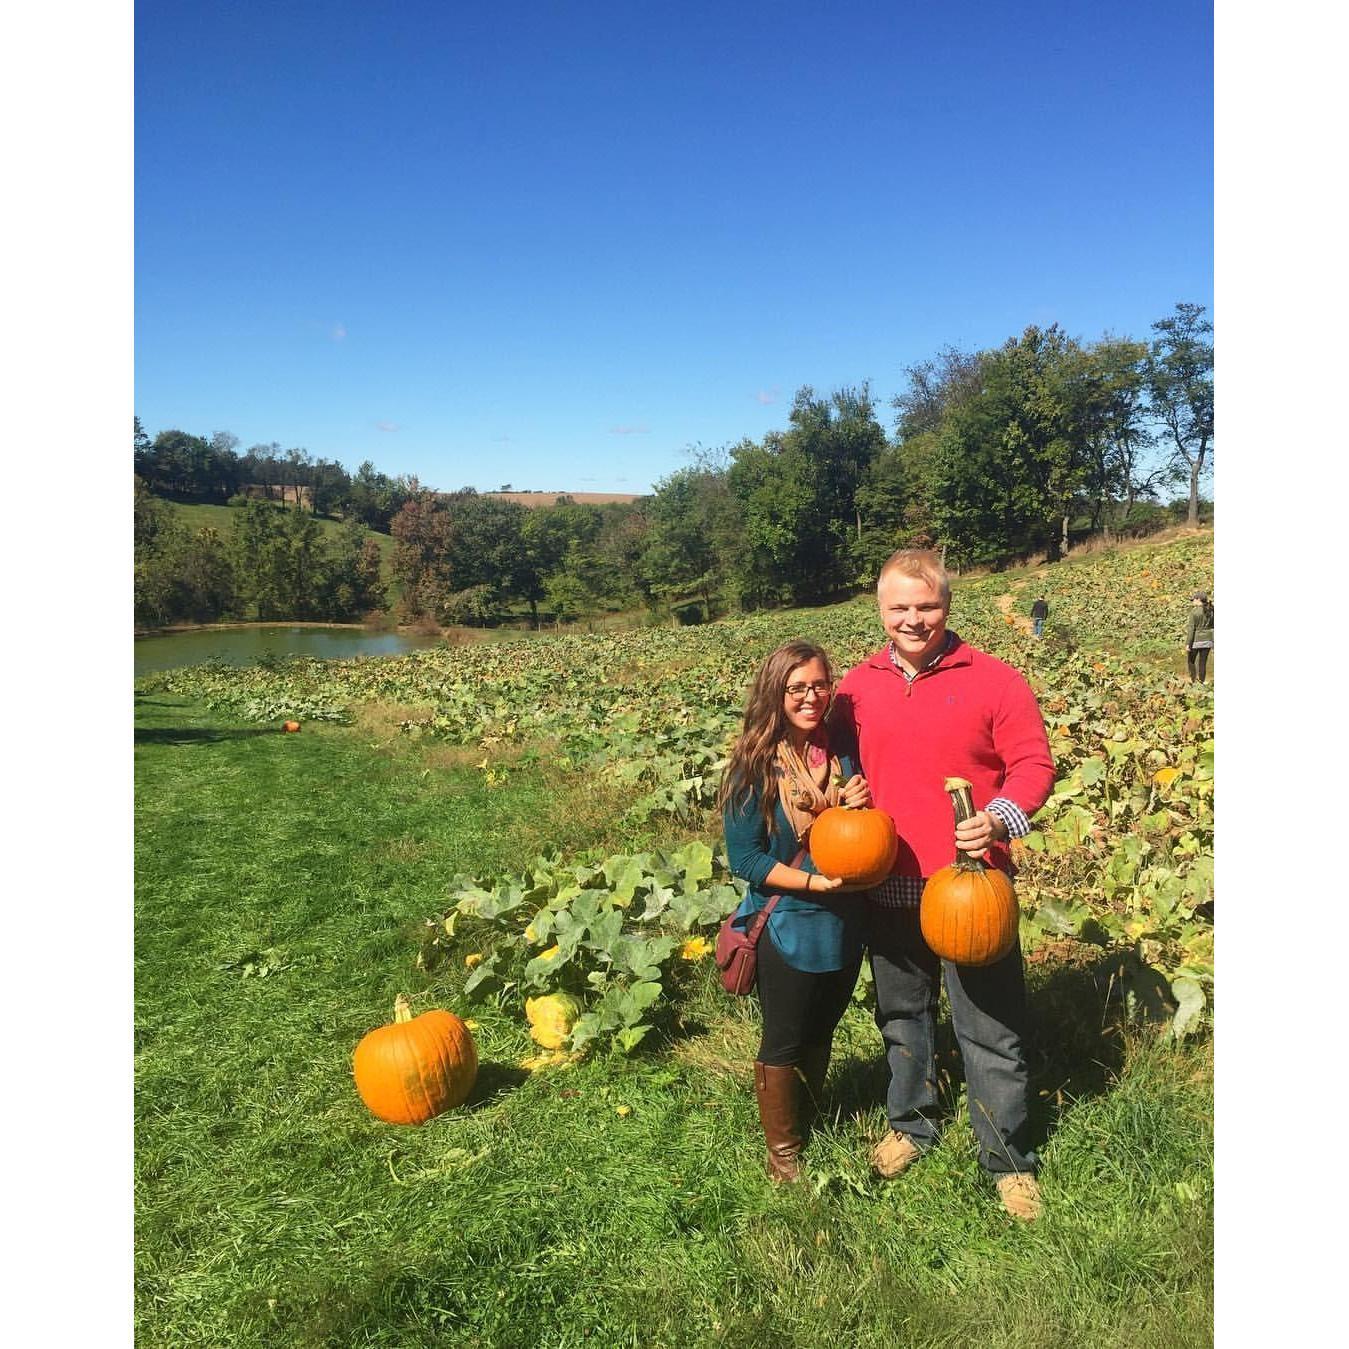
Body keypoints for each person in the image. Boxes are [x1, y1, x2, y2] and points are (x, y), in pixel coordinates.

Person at [831, 549, 1055, 1220]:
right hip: (889, 880)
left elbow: (1033, 765)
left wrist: (998, 819)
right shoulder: (856, 686)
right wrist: (843, 783)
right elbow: (836, 753)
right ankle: (912, 1123)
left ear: (946, 607)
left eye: (925, 605)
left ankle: (1008, 1158)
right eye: (899, 606)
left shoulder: (992, 679)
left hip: (971, 887)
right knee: (902, 1015)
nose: (912, 618)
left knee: (989, 1025)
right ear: (879, 609)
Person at [720, 639, 873, 1182]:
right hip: (786, 921)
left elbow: (853, 833)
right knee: (784, 1036)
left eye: (818, 685)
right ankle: (783, 1156)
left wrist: (856, 801)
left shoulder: (840, 751)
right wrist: (812, 880)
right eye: (796, 688)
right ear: (775, 692)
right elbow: (746, 859)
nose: (810, 697)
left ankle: (810, 1115)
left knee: (824, 1026)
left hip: (843, 918)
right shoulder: (754, 766)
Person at [1185, 592, 1214, 683]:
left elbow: (1191, 629)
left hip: (1196, 641)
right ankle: (1201, 682)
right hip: (1208, 640)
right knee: (1202, 663)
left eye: (1193, 599)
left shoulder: (1194, 612)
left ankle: (1193, 681)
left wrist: (1188, 644)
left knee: (1191, 661)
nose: (1192, 601)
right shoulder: (1211, 610)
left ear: (1198, 600)